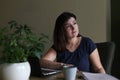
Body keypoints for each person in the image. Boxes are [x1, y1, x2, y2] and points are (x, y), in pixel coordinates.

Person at [40, 12, 105, 73]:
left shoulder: (87, 43)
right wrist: (63, 66)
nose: (73, 28)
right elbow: (42, 62)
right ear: (62, 31)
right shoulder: (59, 46)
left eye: (74, 23)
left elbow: (99, 68)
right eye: (68, 26)